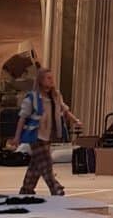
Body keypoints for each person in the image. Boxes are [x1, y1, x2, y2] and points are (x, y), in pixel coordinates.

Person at [16, 68, 84, 198]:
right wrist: (17, 137)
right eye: (48, 78)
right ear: (41, 81)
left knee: (36, 164)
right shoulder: (33, 98)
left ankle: (26, 189)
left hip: (48, 135)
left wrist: (75, 120)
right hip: (35, 136)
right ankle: (56, 188)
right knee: (46, 163)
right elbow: (22, 117)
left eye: (52, 78)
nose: (52, 80)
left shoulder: (56, 96)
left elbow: (64, 110)